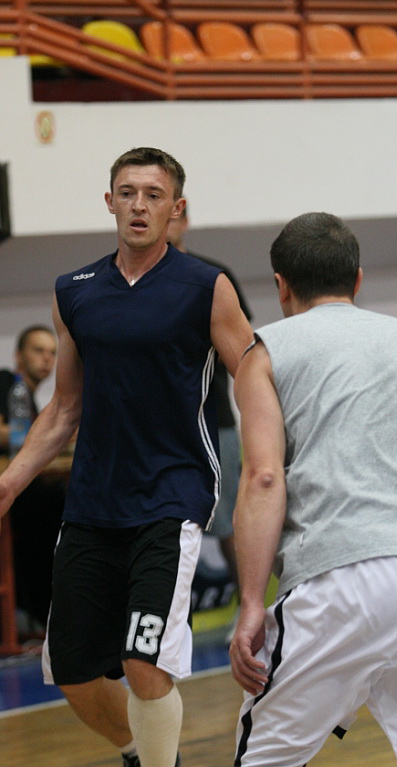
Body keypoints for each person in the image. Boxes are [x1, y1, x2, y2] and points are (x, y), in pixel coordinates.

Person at [0, 147, 253, 767]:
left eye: (153, 194)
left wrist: (271, 456)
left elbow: (253, 375)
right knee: (72, 673)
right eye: (127, 192)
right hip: (93, 502)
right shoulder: (74, 290)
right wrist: (10, 482)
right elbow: (63, 407)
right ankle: (140, 752)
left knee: (143, 661)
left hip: (172, 496)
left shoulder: (205, 286)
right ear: (109, 202)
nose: (139, 205)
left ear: (175, 208)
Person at [229, 211, 397, 767]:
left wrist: (250, 603)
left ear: (281, 286)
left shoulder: (266, 352)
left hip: (343, 579)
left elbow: (264, 478)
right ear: (358, 279)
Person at [167, 203, 253, 605]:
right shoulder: (130, 281)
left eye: (171, 214)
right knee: (164, 528)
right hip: (160, 426)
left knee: (229, 520)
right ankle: (166, 616)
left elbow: (244, 349)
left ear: (183, 219)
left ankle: (250, 606)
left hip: (214, 419)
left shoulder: (212, 277)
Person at [0, 325, 65, 635]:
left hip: (25, 493)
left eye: (52, 353)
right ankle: (45, 613)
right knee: (57, 505)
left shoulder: (31, 400)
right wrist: (50, 437)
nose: (47, 359)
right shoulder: (3, 381)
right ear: (19, 355)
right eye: (38, 350)